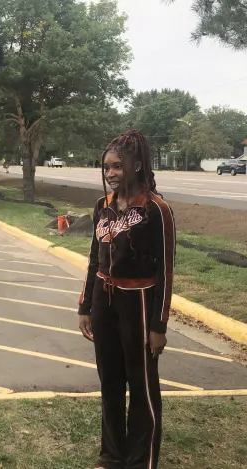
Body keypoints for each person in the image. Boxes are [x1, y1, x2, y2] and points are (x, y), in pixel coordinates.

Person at [77, 129, 176, 469]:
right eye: (106, 167)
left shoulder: (156, 209)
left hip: (140, 304)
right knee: (111, 383)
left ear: (137, 165)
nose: (111, 173)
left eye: (117, 166)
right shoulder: (102, 207)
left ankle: (140, 460)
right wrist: (86, 307)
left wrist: (159, 326)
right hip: (105, 303)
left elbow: (166, 270)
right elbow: (94, 260)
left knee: (142, 385)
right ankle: (112, 456)